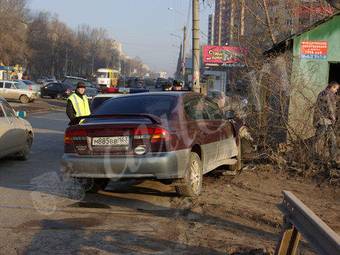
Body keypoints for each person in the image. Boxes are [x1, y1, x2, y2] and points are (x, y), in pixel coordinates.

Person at [313, 81, 339, 165]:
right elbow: (329, 106)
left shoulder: (325, 93)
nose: (336, 91)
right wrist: (333, 117)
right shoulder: (326, 94)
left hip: (327, 122)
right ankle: (311, 156)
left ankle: (333, 159)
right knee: (318, 139)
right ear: (332, 87)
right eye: (336, 89)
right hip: (323, 121)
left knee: (332, 140)